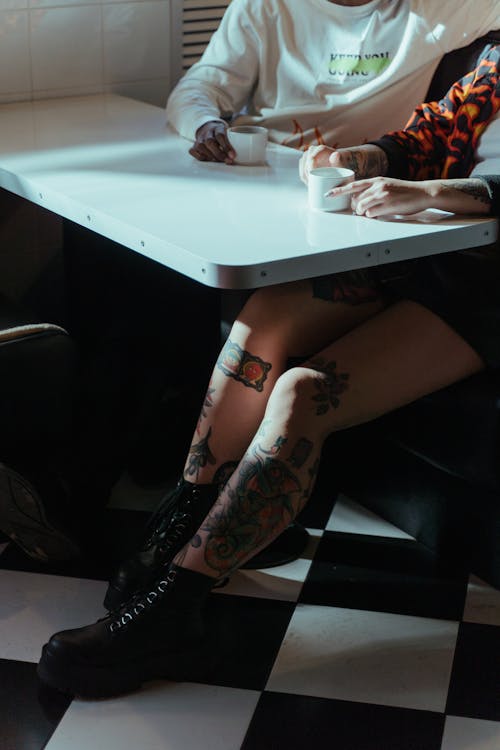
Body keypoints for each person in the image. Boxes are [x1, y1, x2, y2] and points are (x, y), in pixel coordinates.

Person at [37, 45, 500, 698]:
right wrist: (358, 159)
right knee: (261, 321)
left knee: (303, 394)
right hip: (428, 252)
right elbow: (424, 137)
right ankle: (182, 525)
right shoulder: (493, 57)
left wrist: (431, 192)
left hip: (486, 292)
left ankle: (178, 604)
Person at [167, 0, 500, 162]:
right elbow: (200, 87)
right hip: (266, 166)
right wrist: (205, 124)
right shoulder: (264, 6)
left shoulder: (434, 8)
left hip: (362, 178)